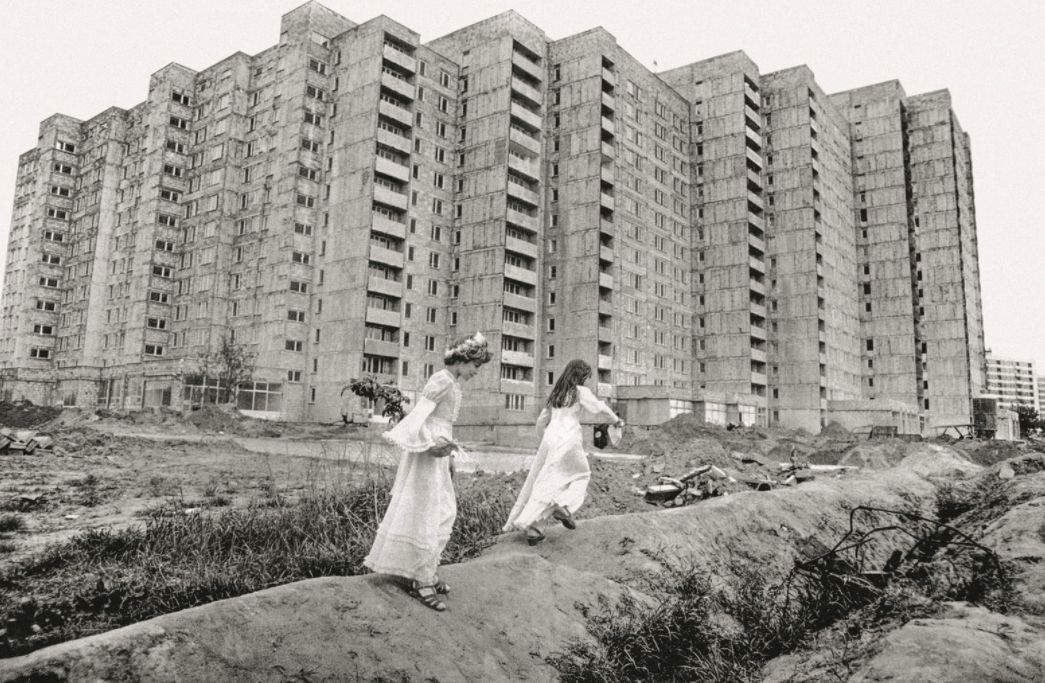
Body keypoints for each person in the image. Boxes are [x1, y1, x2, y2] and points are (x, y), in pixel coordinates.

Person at [363, 331, 492, 611]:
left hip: (440, 454)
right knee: (428, 511)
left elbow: (444, 424)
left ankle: (426, 571)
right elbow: (418, 419)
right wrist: (431, 446)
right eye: (475, 365)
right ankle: (421, 580)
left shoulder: (453, 383)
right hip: (427, 453)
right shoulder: (441, 380)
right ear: (463, 358)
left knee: (444, 511)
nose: (476, 372)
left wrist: (449, 458)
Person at [503, 359, 624, 545]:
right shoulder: (580, 392)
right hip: (569, 440)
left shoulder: (556, 394)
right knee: (582, 475)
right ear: (580, 376)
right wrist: (616, 420)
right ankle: (563, 505)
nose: (586, 380)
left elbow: (540, 422)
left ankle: (534, 528)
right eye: (586, 376)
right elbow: (599, 407)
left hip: (551, 439)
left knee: (547, 482)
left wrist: (546, 440)